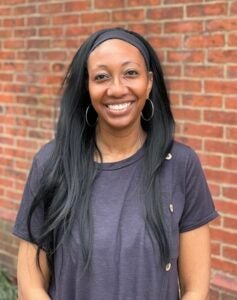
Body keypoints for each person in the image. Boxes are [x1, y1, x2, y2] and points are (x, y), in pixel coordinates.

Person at [13, 27, 218, 300]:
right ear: (87, 87)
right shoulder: (52, 163)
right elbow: (30, 282)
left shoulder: (181, 165)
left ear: (149, 82)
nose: (117, 89)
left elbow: (195, 288)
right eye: (101, 77)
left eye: (130, 73)